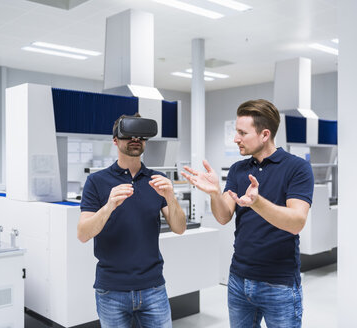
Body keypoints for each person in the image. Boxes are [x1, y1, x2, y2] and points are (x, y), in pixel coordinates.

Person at [182, 99, 314, 328]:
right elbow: (223, 217)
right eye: (236, 132)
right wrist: (214, 193)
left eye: (242, 133)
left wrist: (257, 202)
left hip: (279, 284)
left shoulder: (297, 168)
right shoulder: (238, 169)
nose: (236, 138)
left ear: (264, 134)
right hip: (239, 280)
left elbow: (296, 222)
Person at [77, 113, 186, 328]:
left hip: (153, 288)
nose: (135, 140)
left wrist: (170, 197)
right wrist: (108, 206)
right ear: (116, 140)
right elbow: (83, 234)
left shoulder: (157, 180)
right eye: (128, 135)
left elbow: (179, 228)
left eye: (141, 136)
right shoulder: (96, 181)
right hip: (111, 290)